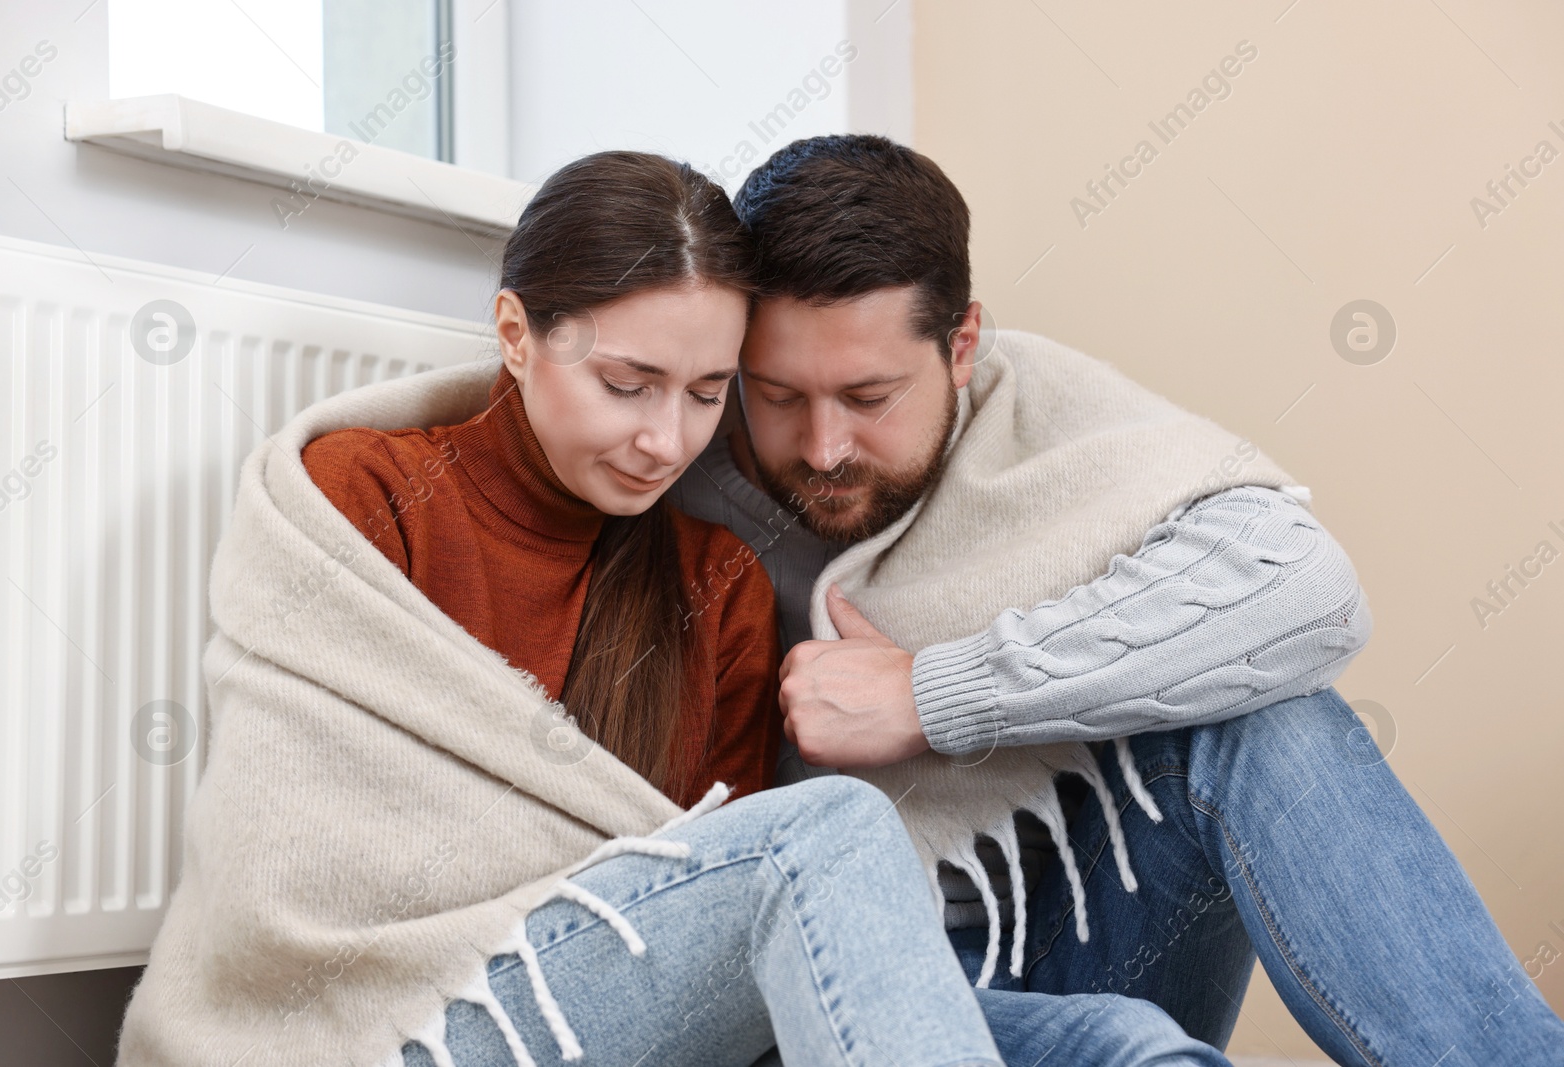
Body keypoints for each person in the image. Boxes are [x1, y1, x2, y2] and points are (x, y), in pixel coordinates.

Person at [669, 133, 1564, 1067]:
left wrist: (933, 696)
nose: (821, 447)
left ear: (963, 343)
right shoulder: (676, 451)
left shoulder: (1034, 404)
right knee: (1123, 1047)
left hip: (1081, 919)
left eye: (869, 396)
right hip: (840, 981)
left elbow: (1305, 588)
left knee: (1267, 717)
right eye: (775, 394)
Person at [114, 151, 1012, 1067]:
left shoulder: (717, 584)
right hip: (388, 1022)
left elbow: (701, 924)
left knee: (1110, 1036)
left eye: (708, 395)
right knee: (826, 830)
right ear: (515, 331)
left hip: (621, 1020)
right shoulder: (366, 497)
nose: (666, 441)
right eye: (627, 386)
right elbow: (294, 855)